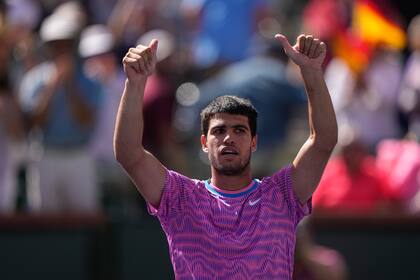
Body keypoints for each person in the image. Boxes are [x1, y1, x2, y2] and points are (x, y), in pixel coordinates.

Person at [114, 33, 337, 279]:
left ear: (254, 142)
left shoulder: (281, 195)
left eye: (239, 130)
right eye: (219, 131)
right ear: (204, 143)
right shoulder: (180, 198)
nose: (228, 138)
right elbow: (129, 154)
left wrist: (312, 72)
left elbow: (322, 141)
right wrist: (134, 84)